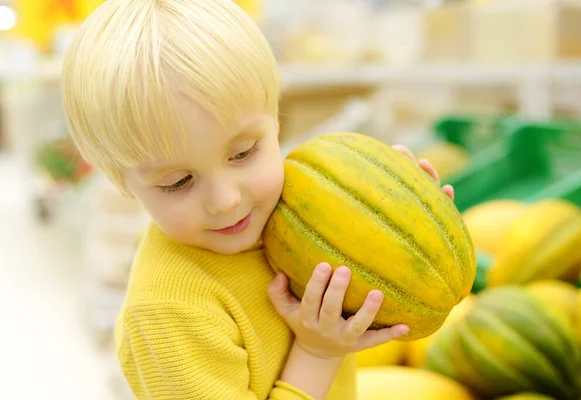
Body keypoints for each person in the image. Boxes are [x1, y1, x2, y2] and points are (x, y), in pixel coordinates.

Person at [61, 0, 454, 398]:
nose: (226, 200)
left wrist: (408, 229)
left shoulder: (287, 212)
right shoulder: (169, 316)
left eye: (244, 153)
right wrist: (316, 354)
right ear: (122, 183)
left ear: (276, 120)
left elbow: (360, 300)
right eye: (179, 182)